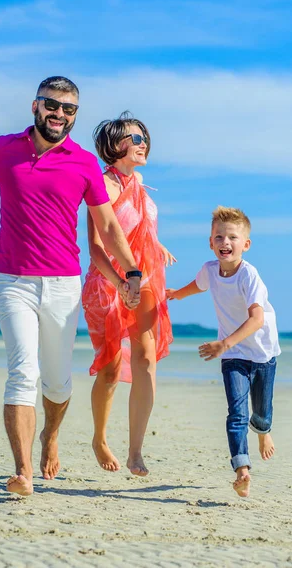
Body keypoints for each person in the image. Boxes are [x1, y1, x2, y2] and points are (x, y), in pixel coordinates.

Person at [0, 77, 142, 497]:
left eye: (69, 109)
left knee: (57, 384)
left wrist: (131, 271)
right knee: (23, 372)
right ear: (35, 105)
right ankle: (22, 472)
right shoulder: (2, 149)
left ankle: (50, 437)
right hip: (12, 279)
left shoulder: (83, 163)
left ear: (75, 115)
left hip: (63, 284)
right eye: (52, 105)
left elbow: (108, 226)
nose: (59, 114)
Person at [82, 112, 174, 476]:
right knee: (109, 370)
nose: (143, 143)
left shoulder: (140, 183)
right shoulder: (102, 184)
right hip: (107, 283)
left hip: (147, 279)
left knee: (146, 358)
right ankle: (100, 438)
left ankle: (136, 451)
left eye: (144, 137)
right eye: (135, 139)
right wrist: (120, 283)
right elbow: (96, 246)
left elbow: (140, 228)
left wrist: (157, 245)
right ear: (115, 145)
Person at [166, 206, 280, 497]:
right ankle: (242, 469)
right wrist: (176, 293)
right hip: (233, 356)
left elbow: (257, 319)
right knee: (237, 414)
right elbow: (199, 285)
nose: (225, 242)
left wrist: (223, 343)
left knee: (262, 415)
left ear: (246, 244)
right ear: (210, 242)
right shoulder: (209, 270)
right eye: (219, 237)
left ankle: (264, 432)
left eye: (232, 237)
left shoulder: (249, 276)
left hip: (263, 353)